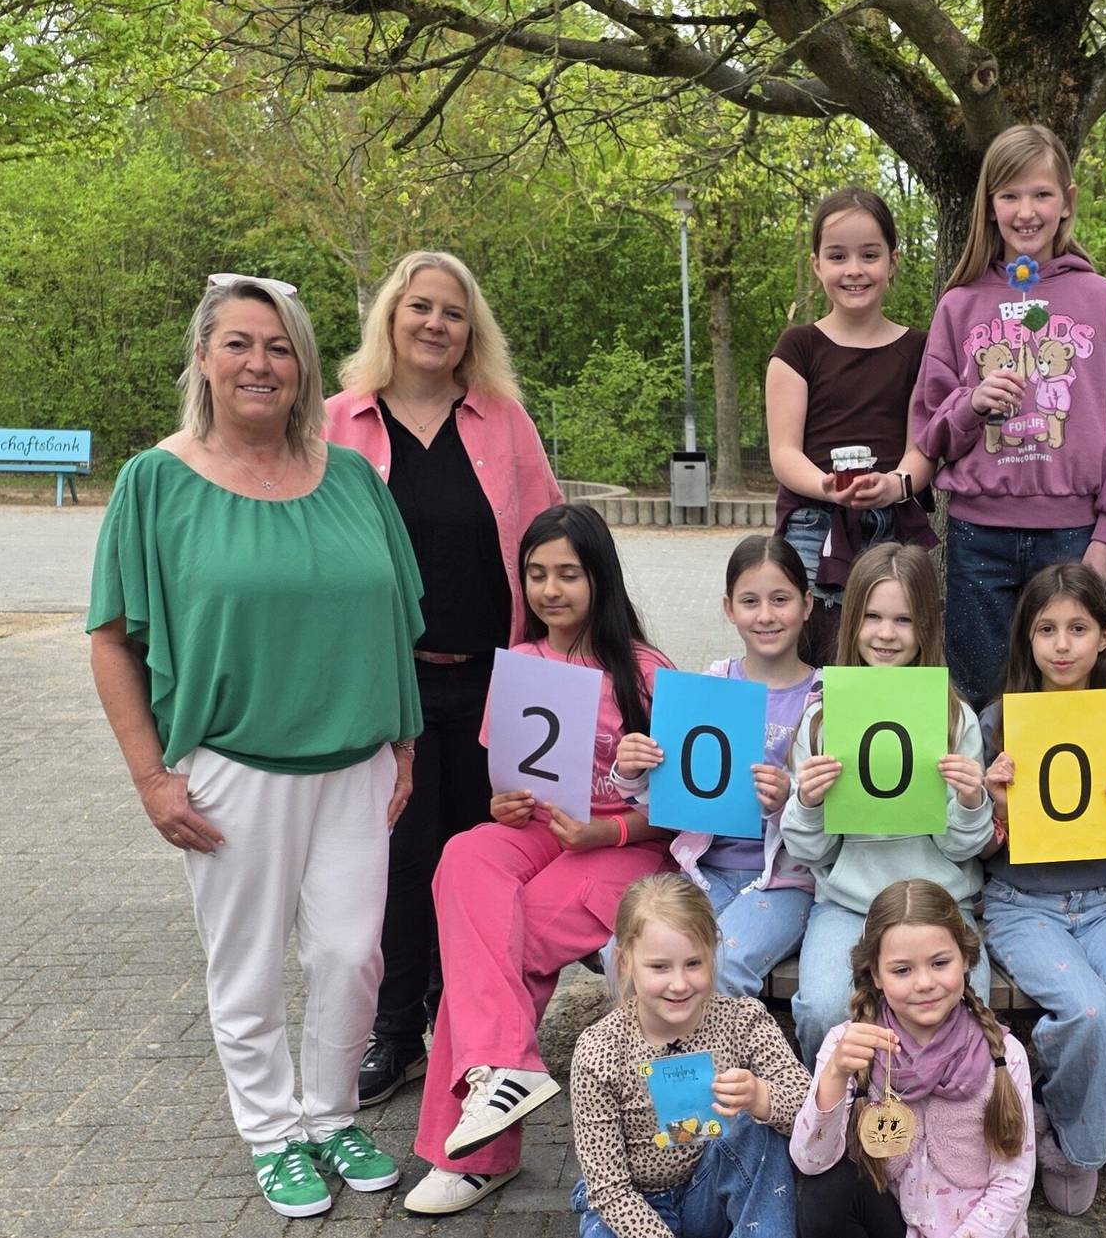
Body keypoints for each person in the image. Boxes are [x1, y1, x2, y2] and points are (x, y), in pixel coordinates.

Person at [88, 273, 421, 1217]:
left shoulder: (352, 477)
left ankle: (331, 1113)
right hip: (233, 766)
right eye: (238, 343)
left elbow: (392, 618)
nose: (260, 363)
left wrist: (403, 737)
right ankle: (273, 1133)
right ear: (202, 357)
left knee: (354, 955)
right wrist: (152, 778)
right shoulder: (156, 481)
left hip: (355, 761)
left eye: (279, 347)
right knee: (246, 965)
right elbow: (111, 636)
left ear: (305, 366)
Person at [325, 249, 565, 1109]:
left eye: (452, 313)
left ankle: (463, 1027)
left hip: (498, 682)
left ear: (472, 331)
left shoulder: (504, 420)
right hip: (387, 691)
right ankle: (393, 1032)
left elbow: (552, 546)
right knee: (392, 861)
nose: (435, 323)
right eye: (419, 306)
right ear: (390, 316)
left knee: (475, 865)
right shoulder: (337, 422)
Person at [402, 505, 676, 1216]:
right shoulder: (519, 664)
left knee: (500, 942)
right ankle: (507, 1067)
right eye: (536, 574)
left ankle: (469, 1155)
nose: (551, 589)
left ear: (599, 577)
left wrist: (604, 834)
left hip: (624, 847)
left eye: (568, 574)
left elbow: (682, 808)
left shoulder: (646, 671)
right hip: (541, 831)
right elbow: (510, 782)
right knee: (464, 854)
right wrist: (505, 809)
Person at [910, 123, 1106, 703]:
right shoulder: (959, 304)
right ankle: (980, 798)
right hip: (978, 532)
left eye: (1041, 194)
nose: (1026, 211)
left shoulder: (1101, 300)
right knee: (983, 692)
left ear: (1068, 201)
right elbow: (929, 427)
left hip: (1070, 533)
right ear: (989, 206)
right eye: (1009, 195)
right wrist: (972, 404)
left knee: (1063, 694)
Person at [973, 563, 1106, 1215]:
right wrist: (991, 804)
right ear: (1026, 637)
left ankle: (1063, 1137)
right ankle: (1076, 1147)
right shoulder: (997, 722)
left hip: (1105, 901)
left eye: (1078, 628)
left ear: (1105, 635)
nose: (1062, 643)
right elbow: (975, 848)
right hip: (1020, 904)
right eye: (1046, 628)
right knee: (1086, 1013)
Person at [780, 543, 992, 1060]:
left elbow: (965, 845)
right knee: (825, 1009)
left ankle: (947, 1128)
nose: (887, 633)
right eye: (873, 617)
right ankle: (831, 1124)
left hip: (941, 902)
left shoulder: (955, 719)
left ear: (926, 628)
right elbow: (812, 852)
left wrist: (968, 801)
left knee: (967, 1008)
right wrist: (807, 802)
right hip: (850, 905)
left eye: (904, 619)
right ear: (852, 621)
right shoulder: (821, 720)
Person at [613, 535, 821, 997]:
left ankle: (720, 1069)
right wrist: (633, 769)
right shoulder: (709, 685)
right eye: (750, 601)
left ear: (807, 604)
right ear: (729, 608)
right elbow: (667, 794)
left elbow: (835, 818)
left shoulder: (824, 698)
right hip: (703, 869)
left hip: (785, 882)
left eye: (781, 599)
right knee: (623, 955)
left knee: (723, 964)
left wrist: (791, 801)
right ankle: (648, 1068)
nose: (766, 615)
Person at [568, 874, 810, 1238]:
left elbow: (810, 1113)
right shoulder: (600, 1050)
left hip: (712, 1193)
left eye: (694, 964)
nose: (679, 983)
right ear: (626, 961)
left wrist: (761, 1098)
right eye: (660, 967)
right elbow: (608, 1188)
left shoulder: (742, 1021)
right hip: (633, 1206)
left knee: (759, 1128)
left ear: (713, 954)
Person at [790, 879, 1036, 1238]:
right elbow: (810, 1162)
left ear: (965, 959)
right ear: (876, 974)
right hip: (887, 1221)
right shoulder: (850, 1045)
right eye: (902, 970)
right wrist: (834, 1075)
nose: (924, 983)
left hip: (971, 1228)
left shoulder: (1003, 1055)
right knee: (824, 1188)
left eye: (939, 963)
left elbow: (1013, 1182)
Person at [768, 188, 938, 664]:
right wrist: (826, 486)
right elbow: (784, 452)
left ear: (893, 261)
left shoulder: (921, 349)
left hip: (893, 524)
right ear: (817, 264)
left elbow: (922, 448)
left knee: (890, 649)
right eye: (838, 256)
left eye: (869, 255)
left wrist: (894, 485)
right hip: (811, 524)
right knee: (810, 650)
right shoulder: (797, 347)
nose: (854, 270)